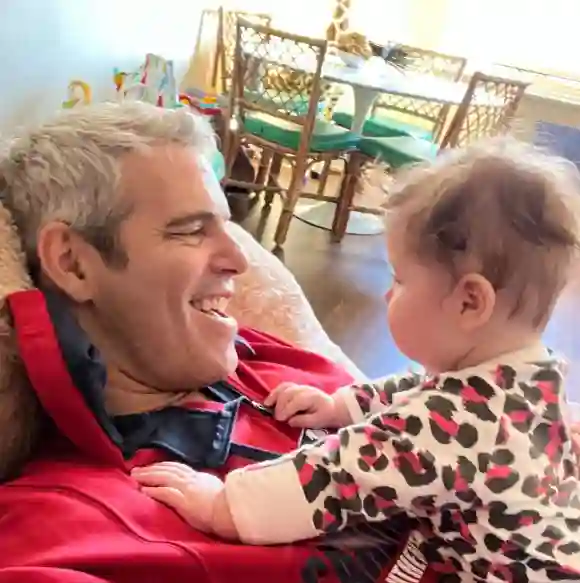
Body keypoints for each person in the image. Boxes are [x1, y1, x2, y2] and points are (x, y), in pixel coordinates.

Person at [0, 101, 441, 583]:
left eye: (226, 227)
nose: (239, 259)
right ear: (73, 263)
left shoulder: (271, 361)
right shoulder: (64, 533)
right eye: (191, 230)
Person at [132, 139, 580, 583]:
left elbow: (337, 476)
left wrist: (221, 505)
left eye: (400, 280)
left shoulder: (456, 421)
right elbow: (417, 390)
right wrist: (340, 406)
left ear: (469, 302)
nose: (388, 294)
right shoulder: (530, 375)